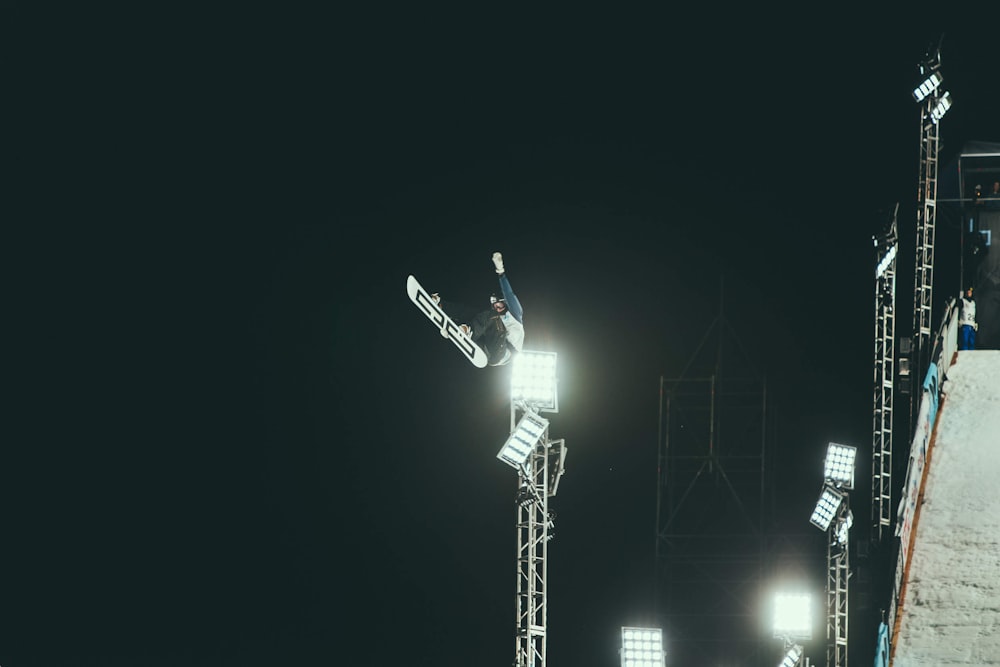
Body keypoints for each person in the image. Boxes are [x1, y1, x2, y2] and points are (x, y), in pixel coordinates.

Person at [432, 252, 525, 366]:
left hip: (505, 352)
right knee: (476, 314)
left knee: (491, 317)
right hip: (487, 347)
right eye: (494, 306)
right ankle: (442, 306)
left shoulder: (515, 314)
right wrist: (452, 331)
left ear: (505, 304)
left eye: (499, 305)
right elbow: (481, 319)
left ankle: (468, 330)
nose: (497, 308)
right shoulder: (495, 319)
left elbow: (509, 294)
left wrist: (501, 273)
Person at [958, 286, 978, 351]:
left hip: (972, 324)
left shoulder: (973, 303)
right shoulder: (963, 301)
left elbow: (976, 313)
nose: (969, 293)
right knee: (965, 341)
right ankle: (964, 354)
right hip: (965, 323)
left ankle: (971, 356)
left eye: (970, 292)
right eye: (968, 292)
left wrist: (976, 322)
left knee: (972, 342)